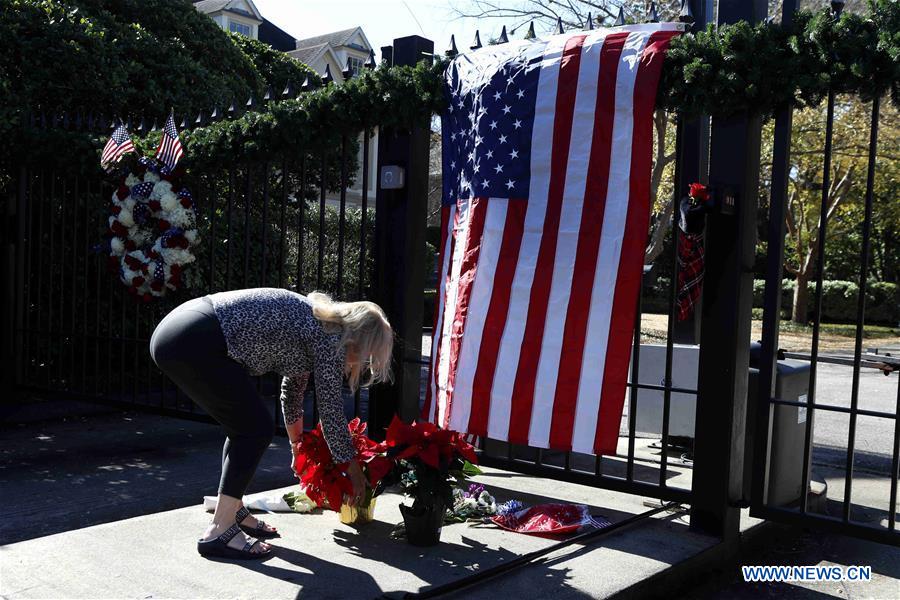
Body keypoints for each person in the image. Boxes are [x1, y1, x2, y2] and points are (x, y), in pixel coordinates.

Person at [149, 288, 393, 560]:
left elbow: (292, 394)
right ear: (359, 338)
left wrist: (297, 447)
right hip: (194, 339)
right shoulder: (330, 339)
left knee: (244, 426)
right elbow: (331, 411)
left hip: (181, 330)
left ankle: (233, 509)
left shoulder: (317, 327)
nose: (365, 362)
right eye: (369, 353)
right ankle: (220, 531)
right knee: (254, 429)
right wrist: (354, 470)